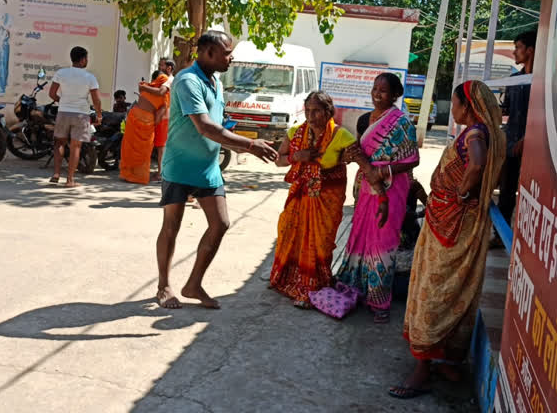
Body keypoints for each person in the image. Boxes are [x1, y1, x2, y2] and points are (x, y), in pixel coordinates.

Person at [389, 80, 505, 399]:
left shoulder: (476, 134)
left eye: (454, 104)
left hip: (453, 225)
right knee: (454, 292)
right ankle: (447, 360)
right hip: (451, 221)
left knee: (434, 292)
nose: (452, 110)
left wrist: (461, 192)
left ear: (467, 106)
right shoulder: (485, 132)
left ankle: (423, 371)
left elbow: (478, 163)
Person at [155, 31, 278, 309]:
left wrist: (241, 144)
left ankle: (193, 284)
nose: (231, 58)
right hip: (179, 167)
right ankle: (164, 286)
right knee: (171, 227)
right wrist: (249, 145)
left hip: (208, 168)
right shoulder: (188, 81)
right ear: (208, 52)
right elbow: (205, 126)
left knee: (220, 223)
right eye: (226, 52)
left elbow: (217, 124)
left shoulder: (216, 81)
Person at [335, 73, 420, 324]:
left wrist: (382, 171)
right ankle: (359, 289)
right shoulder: (366, 119)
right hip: (365, 188)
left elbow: (413, 159)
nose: (377, 94)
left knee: (382, 243)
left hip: (392, 188)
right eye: (374, 89)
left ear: (395, 95)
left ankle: (380, 302)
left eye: (383, 90)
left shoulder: (402, 122)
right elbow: (362, 153)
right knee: (361, 236)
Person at [270, 91, 357, 308]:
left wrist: (346, 157)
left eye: (316, 111)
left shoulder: (341, 135)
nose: (311, 115)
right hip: (301, 197)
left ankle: (315, 284)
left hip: (327, 200)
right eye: (308, 110)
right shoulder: (296, 133)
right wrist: (296, 157)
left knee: (321, 243)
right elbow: (279, 161)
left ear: (328, 112)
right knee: (290, 233)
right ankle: (289, 279)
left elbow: (357, 155)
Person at [48, 46, 102, 187]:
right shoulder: (90, 77)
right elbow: (96, 100)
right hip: (81, 114)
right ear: (83, 59)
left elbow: (52, 93)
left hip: (63, 112)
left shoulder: (61, 73)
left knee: (59, 143)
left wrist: (63, 101)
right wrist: (99, 114)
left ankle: (56, 174)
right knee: (75, 147)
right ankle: (70, 180)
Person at [497, 30, 535, 226]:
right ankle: (500, 234)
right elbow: (506, 109)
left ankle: (526, 233)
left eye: (518, 48)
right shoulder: (514, 79)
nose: (514, 53)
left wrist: (528, 138)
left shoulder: (543, 80)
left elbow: (543, 117)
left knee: (531, 193)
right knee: (506, 191)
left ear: (530, 50)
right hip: (511, 144)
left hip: (534, 148)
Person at [120, 71, 169, 184]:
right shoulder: (164, 95)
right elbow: (159, 116)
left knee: (129, 147)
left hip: (134, 116)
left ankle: (126, 175)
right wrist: (153, 125)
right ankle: (137, 176)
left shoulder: (146, 88)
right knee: (142, 150)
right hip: (146, 120)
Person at [139, 59, 177, 180]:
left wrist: (144, 87)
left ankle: (161, 173)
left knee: (161, 147)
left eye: (162, 65)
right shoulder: (170, 79)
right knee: (162, 146)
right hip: (166, 116)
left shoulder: (168, 80)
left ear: (169, 68)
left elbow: (161, 92)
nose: (160, 67)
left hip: (164, 116)